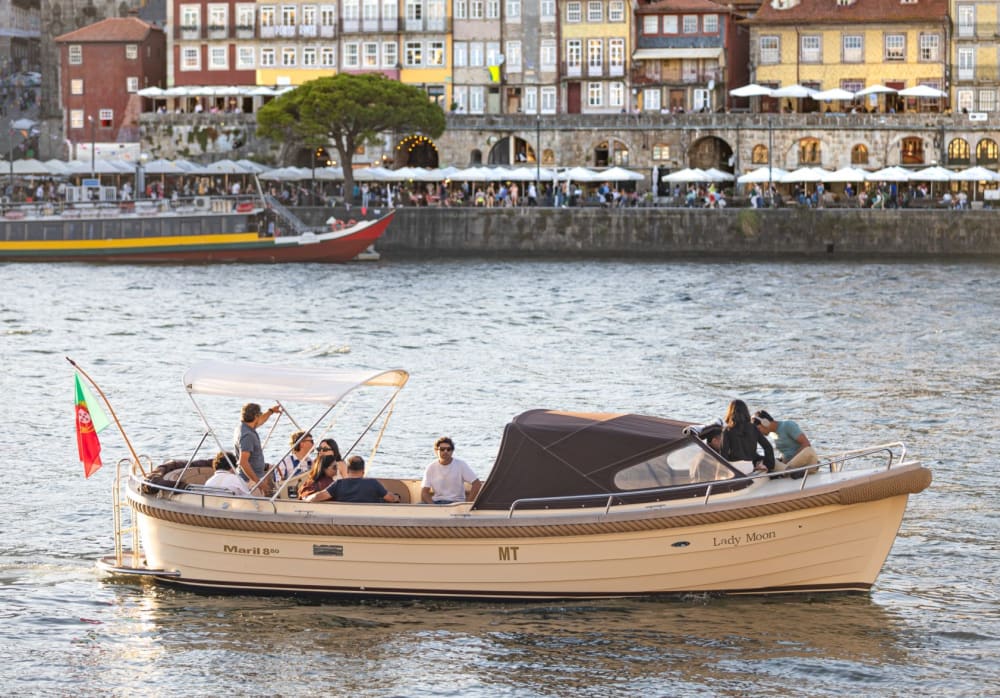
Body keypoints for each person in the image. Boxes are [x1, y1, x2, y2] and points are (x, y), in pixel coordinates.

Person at [304, 455, 401, 503]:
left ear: (348, 470)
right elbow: (390, 498)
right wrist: (397, 497)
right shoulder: (373, 483)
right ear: (363, 471)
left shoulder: (338, 484)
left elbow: (317, 497)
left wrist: (306, 499)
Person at [233, 402, 281, 495]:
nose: (260, 418)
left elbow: (261, 421)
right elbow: (243, 462)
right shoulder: (248, 435)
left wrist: (271, 411)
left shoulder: (243, 427)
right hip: (251, 483)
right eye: (259, 415)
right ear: (256, 416)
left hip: (250, 480)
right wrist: (259, 483)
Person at [753, 410, 818, 477]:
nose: (759, 433)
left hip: (805, 461)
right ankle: (788, 471)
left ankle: (786, 470)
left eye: (758, 429)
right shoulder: (772, 434)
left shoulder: (788, 425)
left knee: (809, 450)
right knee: (767, 460)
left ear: (765, 422)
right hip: (791, 465)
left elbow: (806, 443)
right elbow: (785, 451)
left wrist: (787, 461)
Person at [421, 437, 482, 504]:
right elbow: (424, 492)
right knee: (418, 506)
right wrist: (433, 507)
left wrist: (466, 505)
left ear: (452, 451)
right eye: (442, 449)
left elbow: (477, 484)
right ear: (436, 451)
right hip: (436, 503)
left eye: (449, 449)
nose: (445, 451)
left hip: (456, 504)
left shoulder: (461, 465)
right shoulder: (431, 467)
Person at [719, 399, 774, 473]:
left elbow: (723, 455)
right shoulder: (753, 428)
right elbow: (768, 447)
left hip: (734, 470)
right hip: (749, 467)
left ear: (730, 413)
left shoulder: (727, 430)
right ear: (746, 412)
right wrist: (769, 465)